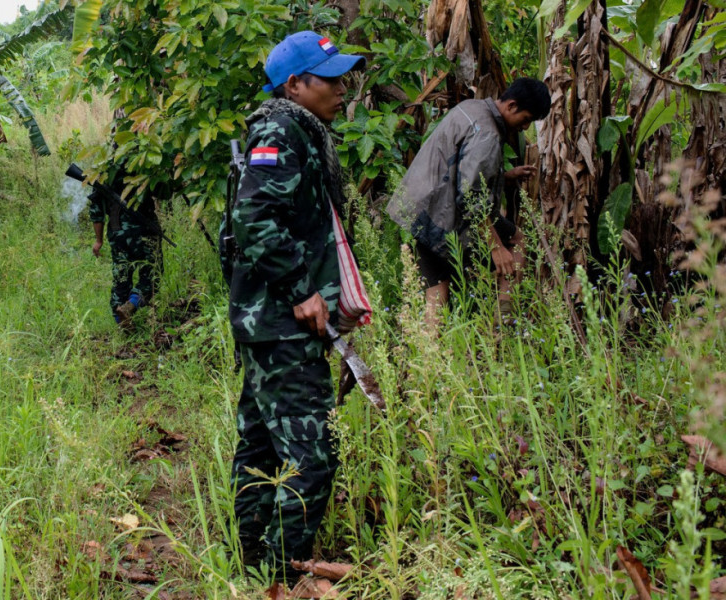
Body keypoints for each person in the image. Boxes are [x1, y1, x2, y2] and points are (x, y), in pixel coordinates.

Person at [222, 31, 365, 586]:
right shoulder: (281, 130)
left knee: (259, 444)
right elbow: (253, 218)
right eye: (329, 78)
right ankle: (284, 576)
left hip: (269, 322)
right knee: (312, 455)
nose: (341, 87)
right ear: (295, 85)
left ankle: (256, 567)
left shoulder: (297, 130)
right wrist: (301, 291)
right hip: (281, 321)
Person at [387, 77, 551, 328]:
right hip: (444, 217)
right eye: (526, 119)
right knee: (516, 243)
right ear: (512, 106)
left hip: (422, 210)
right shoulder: (488, 135)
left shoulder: (471, 108)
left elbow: (459, 169)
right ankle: (501, 329)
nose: (524, 127)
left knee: (436, 296)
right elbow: (471, 196)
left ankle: (427, 360)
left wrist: (505, 177)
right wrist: (496, 247)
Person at [89, 159, 164, 330]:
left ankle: (121, 322)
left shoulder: (103, 169)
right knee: (152, 274)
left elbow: (96, 212)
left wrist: (99, 240)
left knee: (121, 278)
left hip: (118, 233)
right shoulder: (143, 162)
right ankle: (130, 306)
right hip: (146, 230)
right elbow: (163, 192)